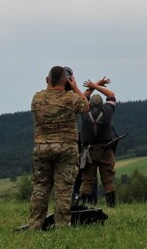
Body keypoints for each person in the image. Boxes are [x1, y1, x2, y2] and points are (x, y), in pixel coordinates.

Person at [27, 65, 91, 230]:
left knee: (40, 187)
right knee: (64, 190)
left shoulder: (37, 98)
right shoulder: (70, 99)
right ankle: (62, 227)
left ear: (47, 80)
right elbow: (85, 106)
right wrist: (75, 87)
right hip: (66, 148)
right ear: (66, 81)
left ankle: (34, 225)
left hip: (42, 147)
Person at [78, 77, 117, 208]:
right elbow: (111, 95)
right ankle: (111, 207)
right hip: (106, 151)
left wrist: (94, 86)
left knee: (87, 180)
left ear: (90, 104)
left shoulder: (84, 111)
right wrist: (98, 85)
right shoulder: (107, 112)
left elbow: (83, 97)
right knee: (108, 180)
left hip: (89, 152)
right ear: (102, 104)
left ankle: (84, 207)